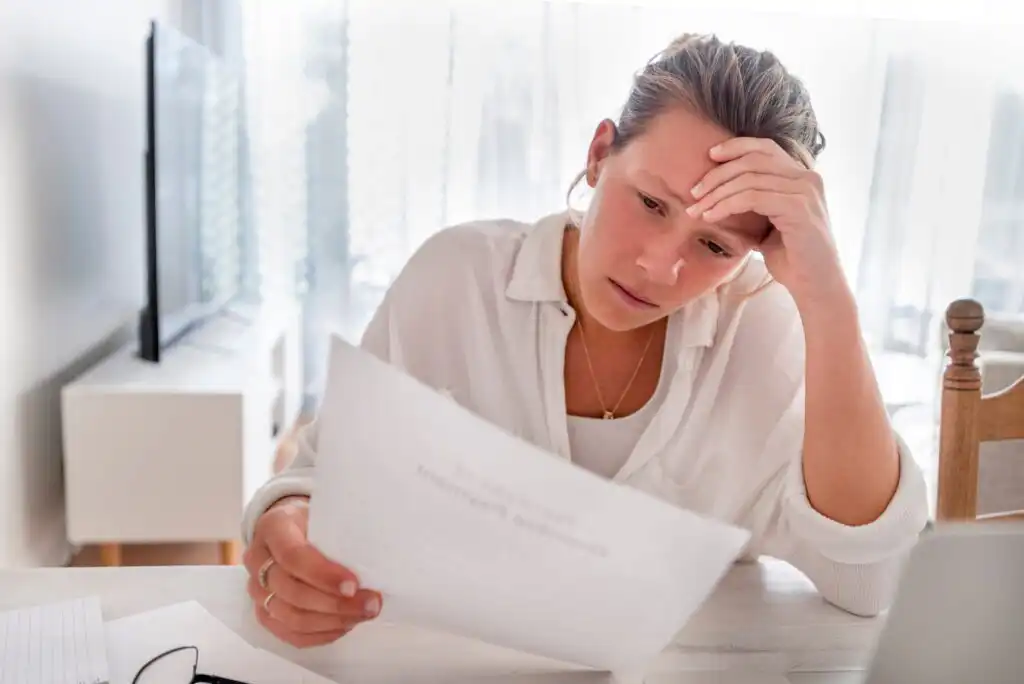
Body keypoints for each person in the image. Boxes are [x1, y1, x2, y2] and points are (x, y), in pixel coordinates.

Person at [240, 32, 931, 649]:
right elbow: (324, 482)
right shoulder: (455, 279)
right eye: (651, 203)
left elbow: (869, 579)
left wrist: (828, 297)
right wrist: (288, 527)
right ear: (600, 154)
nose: (660, 266)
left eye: (715, 244)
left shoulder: (761, 333)